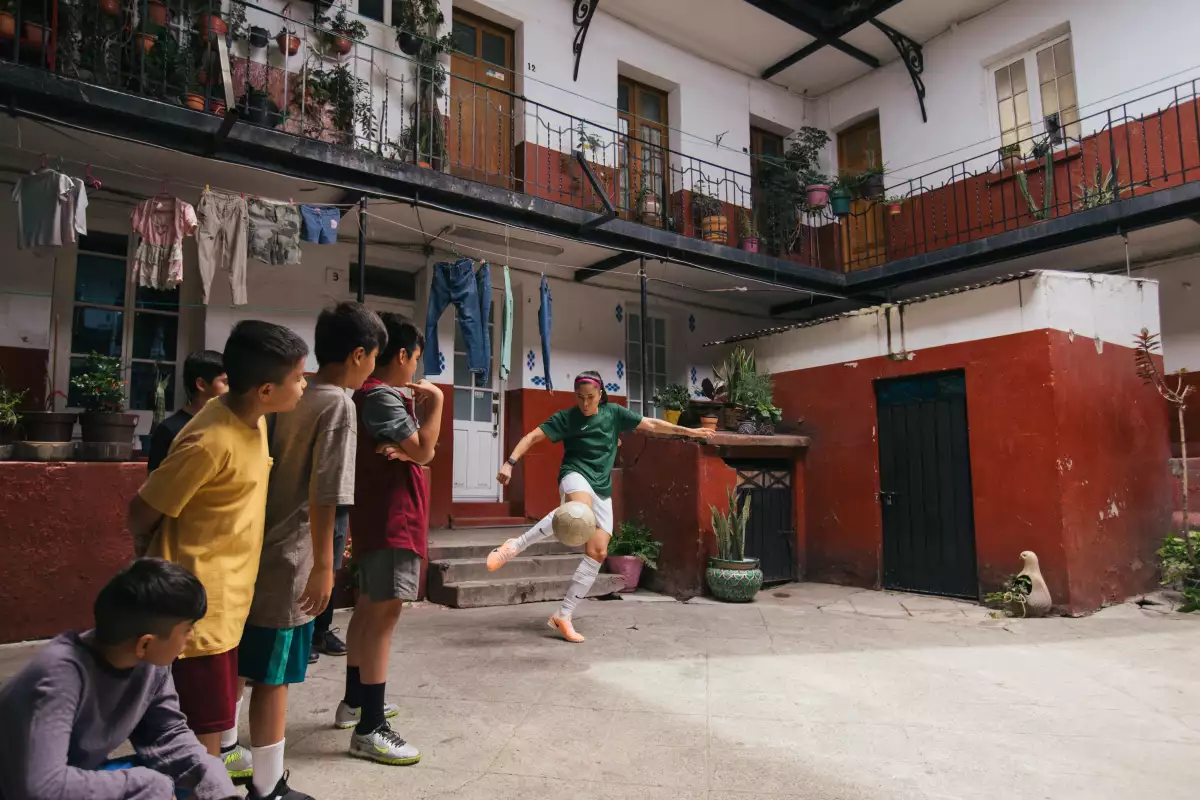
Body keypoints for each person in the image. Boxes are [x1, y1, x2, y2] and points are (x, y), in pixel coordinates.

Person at [126, 320, 308, 797]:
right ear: (267, 389)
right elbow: (140, 513)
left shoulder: (259, 421)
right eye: (298, 378)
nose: (304, 386)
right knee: (200, 748)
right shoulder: (207, 440)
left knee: (210, 735)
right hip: (194, 618)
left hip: (228, 608)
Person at [234, 302, 386, 800]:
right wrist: (324, 565)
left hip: (252, 545)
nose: (373, 370)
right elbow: (325, 494)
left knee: (243, 661)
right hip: (289, 556)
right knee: (273, 677)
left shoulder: (286, 393)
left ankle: (229, 750)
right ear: (359, 355)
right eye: (373, 360)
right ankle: (268, 784)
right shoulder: (338, 404)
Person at [489, 371, 715, 642]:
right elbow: (532, 437)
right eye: (580, 398)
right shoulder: (567, 418)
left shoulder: (614, 414)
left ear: (601, 395)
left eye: (591, 398)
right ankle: (514, 546)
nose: (585, 404)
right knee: (579, 512)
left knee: (598, 552)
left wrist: (689, 432)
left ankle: (563, 614)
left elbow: (652, 425)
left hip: (602, 487)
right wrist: (509, 463)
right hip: (575, 475)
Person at [0, 557, 238, 800]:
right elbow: (41, 788)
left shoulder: (150, 663)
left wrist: (214, 781)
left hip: (77, 773)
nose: (192, 635)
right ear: (145, 642)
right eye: (187, 629)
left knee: (196, 777)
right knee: (152, 786)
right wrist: (144, 784)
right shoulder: (57, 677)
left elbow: (166, 734)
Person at [341, 313, 441, 766]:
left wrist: (413, 450)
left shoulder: (378, 397)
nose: (416, 372)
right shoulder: (381, 397)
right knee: (383, 618)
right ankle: (371, 728)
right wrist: (436, 404)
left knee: (367, 612)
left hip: (382, 519)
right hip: (393, 521)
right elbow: (424, 451)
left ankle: (356, 704)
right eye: (416, 360)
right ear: (401, 356)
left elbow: (414, 451)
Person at [147, 350, 229, 474]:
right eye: (225, 382)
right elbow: (153, 485)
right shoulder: (169, 429)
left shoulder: (229, 424)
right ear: (201, 384)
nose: (231, 389)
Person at [310, 506, 350, 661]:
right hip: (310, 495)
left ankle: (321, 632)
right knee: (305, 562)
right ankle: (301, 635)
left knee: (332, 566)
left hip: (340, 500)